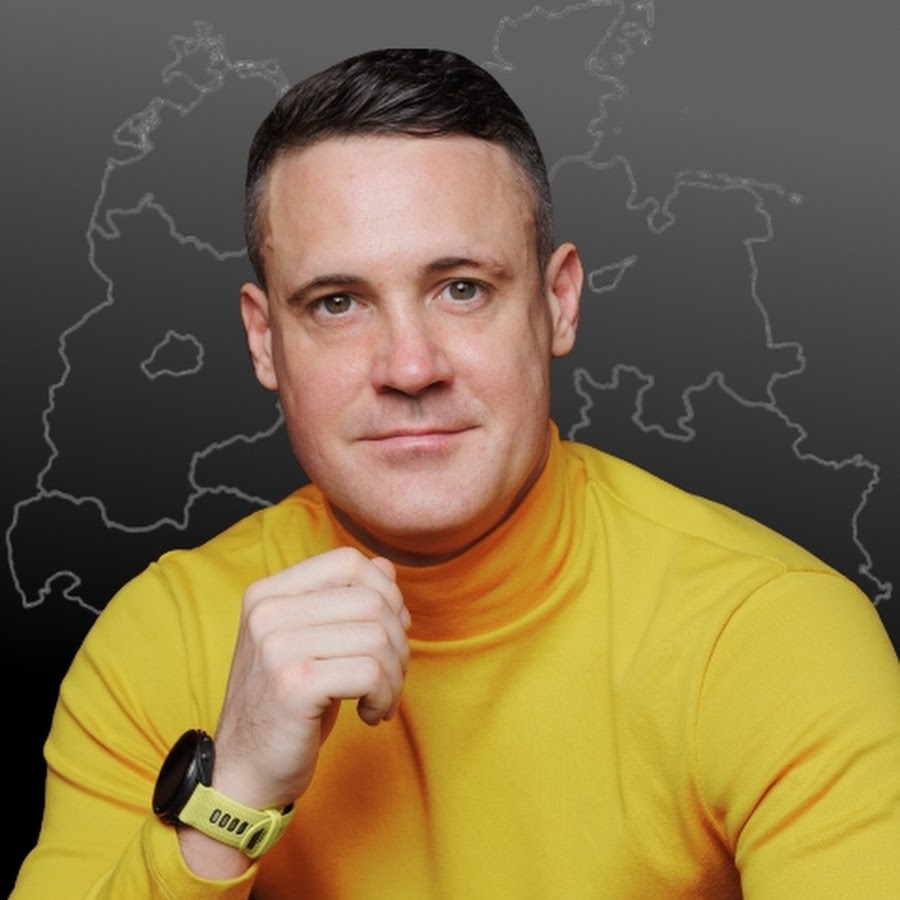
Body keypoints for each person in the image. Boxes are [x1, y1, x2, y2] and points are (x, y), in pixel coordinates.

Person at [12, 47, 899, 899]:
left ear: (558, 301)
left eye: (462, 288)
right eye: (337, 303)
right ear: (264, 340)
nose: (409, 367)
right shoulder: (160, 638)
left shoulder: (771, 638)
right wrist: (230, 795)